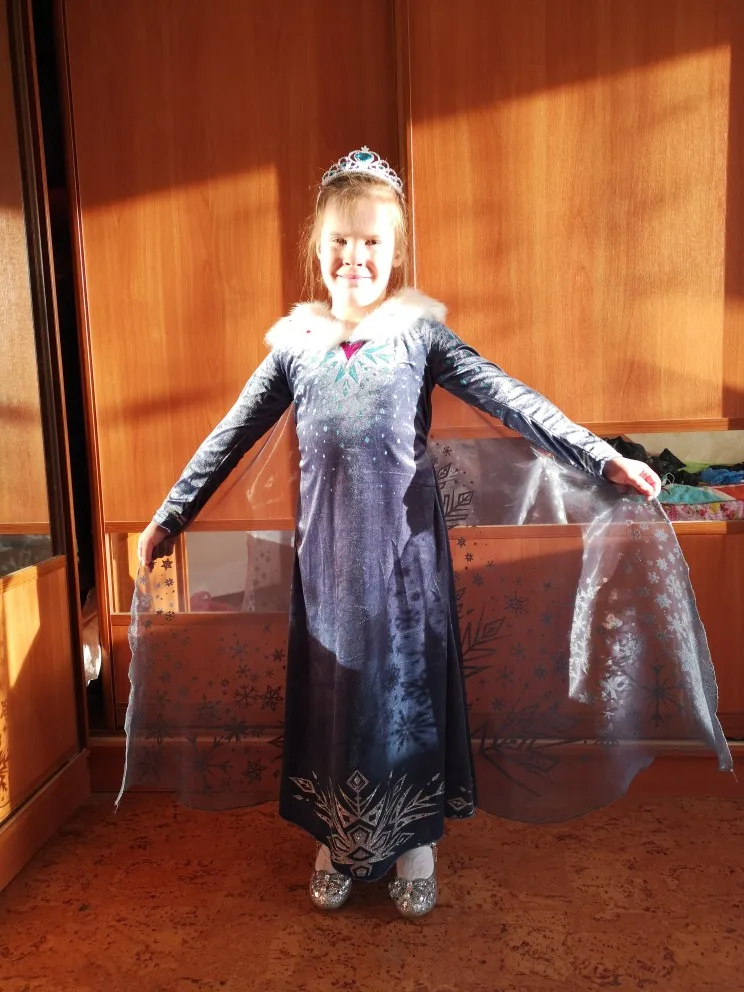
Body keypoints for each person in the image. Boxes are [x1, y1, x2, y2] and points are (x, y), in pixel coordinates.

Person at [135, 147, 689, 919]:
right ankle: (336, 836)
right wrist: (171, 513)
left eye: (371, 243)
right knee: (336, 692)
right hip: (327, 562)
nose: (354, 257)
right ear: (318, 248)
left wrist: (601, 455)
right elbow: (230, 435)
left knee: (402, 694)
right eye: (340, 241)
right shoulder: (293, 347)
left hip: (403, 564)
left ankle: (414, 841)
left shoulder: (419, 337)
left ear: (393, 253)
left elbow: (512, 398)